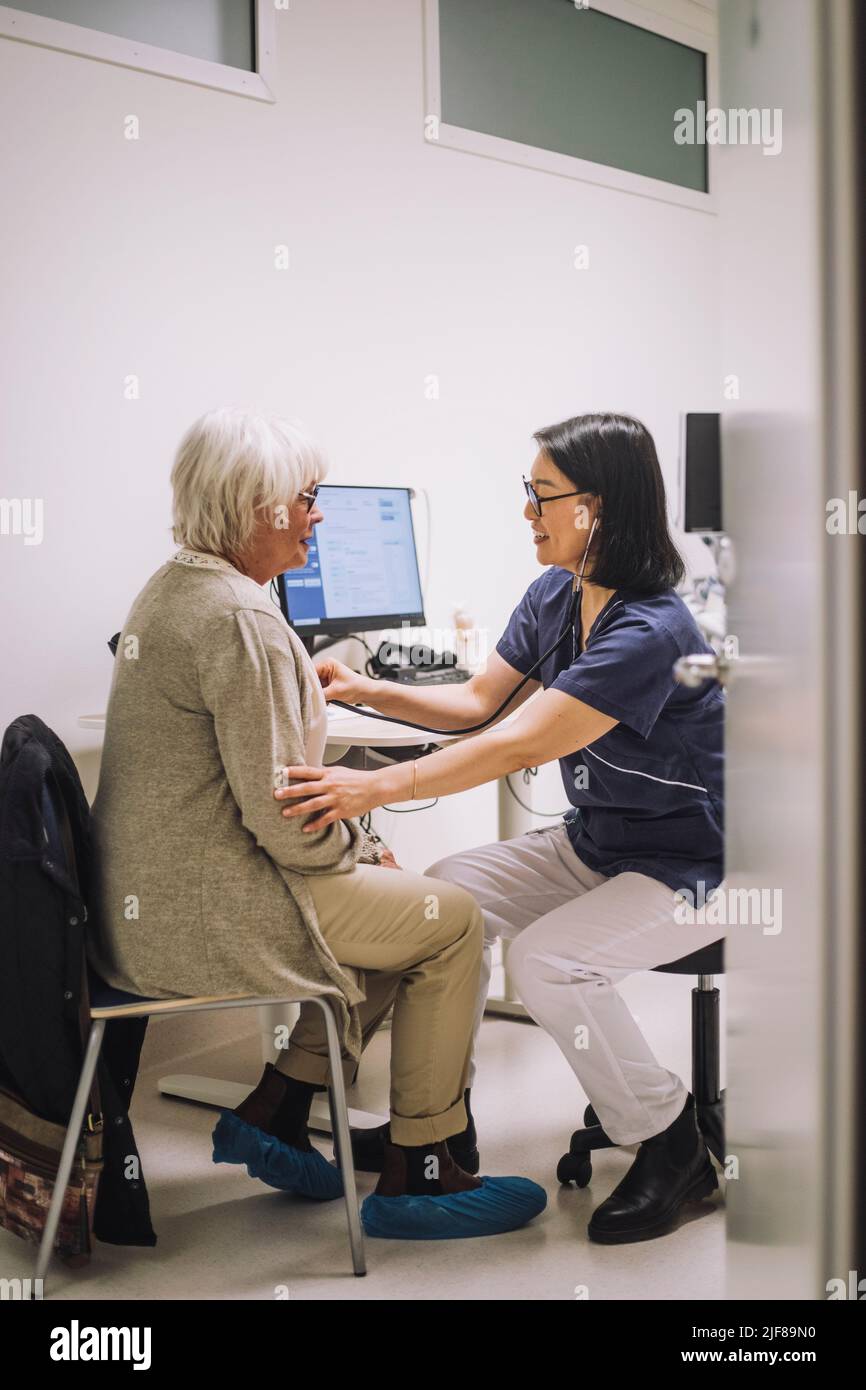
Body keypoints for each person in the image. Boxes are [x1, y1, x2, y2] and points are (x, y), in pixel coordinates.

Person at [87, 406, 546, 1240]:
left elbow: (277, 800)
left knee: (397, 905)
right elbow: (285, 816)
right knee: (452, 921)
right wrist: (361, 850)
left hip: (155, 902)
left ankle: (278, 1108)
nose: (318, 515)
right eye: (305, 498)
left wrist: (361, 850)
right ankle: (424, 1170)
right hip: (204, 911)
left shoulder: (176, 587)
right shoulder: (242, 620)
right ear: (251, 504)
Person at [274, 412, 725, 1244]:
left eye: (540, 495)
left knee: (547, 962)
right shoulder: (558, 594)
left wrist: (371, 789)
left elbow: (519, 741)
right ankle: (439, 1129)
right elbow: (483, 703)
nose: (528, 512)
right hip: (601, 843)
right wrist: (363, 687)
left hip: (695, 865)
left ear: (598, 508)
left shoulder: (652, 627)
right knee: (439, 898)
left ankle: (672, 1142)